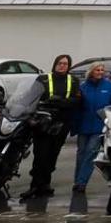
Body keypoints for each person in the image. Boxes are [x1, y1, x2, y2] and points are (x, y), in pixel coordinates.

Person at [24, 53, 82, 200]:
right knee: (40, 155)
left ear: (69, 66)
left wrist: (59, 101)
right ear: (55, 64)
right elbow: (31, 97)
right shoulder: (43, 79)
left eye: (65, 64)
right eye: (60, 63)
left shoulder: (73, 81)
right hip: (43, 122)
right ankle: (34, 186)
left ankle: (45, 184)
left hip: (62, 123)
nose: (62, 66)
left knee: (52, 155)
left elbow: (76, 101)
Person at [71, 61, 111, 195]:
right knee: (81, 154)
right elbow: (77, 105)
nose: (100, 72)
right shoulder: (83, 87)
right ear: (91, 71)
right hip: (84, 125)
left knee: (90, 153)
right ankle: (77, 181)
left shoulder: (109, 86)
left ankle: (82, 182)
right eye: (97, 70)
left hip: (100, 126)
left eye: (102, 70)